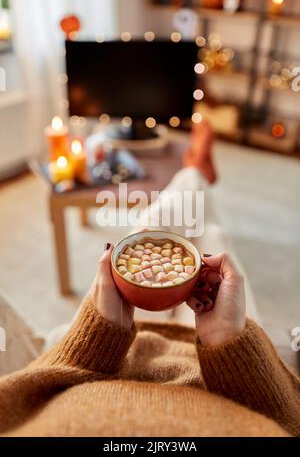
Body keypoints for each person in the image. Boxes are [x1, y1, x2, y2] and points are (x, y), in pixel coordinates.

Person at [0, 122, 299, 437]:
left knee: (151, 230)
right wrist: (229, 341)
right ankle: (196, 174)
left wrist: (98, 336)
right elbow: (290, 418)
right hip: (223, 377)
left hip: (109, 358)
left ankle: (195, 174)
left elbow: (22, 402)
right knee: (211, 234)